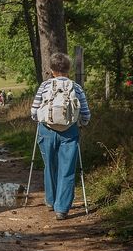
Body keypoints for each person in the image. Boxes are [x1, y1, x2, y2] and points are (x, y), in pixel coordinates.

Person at [31, 52, 91, 220]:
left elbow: (34, 112)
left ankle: (50, 200)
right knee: (67, 169)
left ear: (51, 70)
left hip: (46, 130)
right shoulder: (76, 88)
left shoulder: (44, 86)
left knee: (49, 165)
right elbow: (86, 114)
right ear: (69, 69)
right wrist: (82, 124)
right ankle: (62, 209)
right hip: (70, 132)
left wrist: (41, 119)